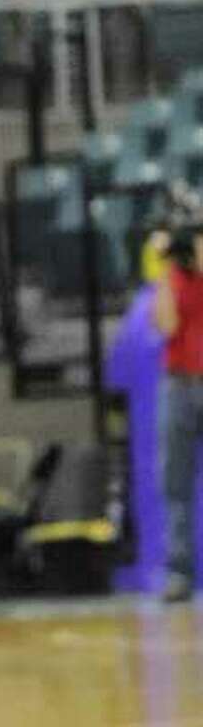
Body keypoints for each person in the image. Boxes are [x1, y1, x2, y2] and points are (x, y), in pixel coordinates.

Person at [152, 229, 203, 602]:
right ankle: (179, 572)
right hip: (179, 385)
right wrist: (166, 267)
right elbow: (167, 325)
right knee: (176, 481)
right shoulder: (172, 279)